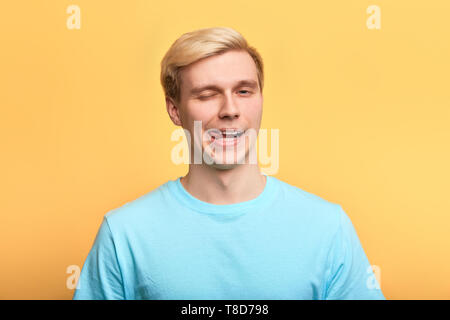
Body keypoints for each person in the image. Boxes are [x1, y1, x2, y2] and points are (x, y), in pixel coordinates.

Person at [72, 27, 385, 300]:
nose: (230, 110)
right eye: (208, 95)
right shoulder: (123, 234)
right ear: (175, 110)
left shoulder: (328, 228)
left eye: (244, 91)